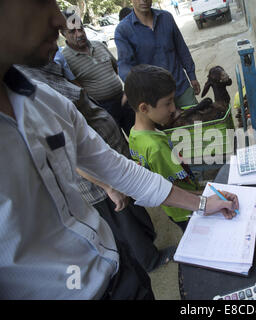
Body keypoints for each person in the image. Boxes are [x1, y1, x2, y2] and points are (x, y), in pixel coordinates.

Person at [0, 0, 239, 299]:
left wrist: (204, 203)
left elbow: (117, 168)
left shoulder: (46, 101)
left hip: (118, 271)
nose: (61, 20)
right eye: (40, 3)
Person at [15, 55, 176, 272]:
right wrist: (108, 186)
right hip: (98, 182)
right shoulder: (28, 86)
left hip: (111, 165)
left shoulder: (45, 68)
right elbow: (66, 153)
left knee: (133, 213)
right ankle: (149, 260)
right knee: (124, 223)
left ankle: (148, 242)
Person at [126, 65, 201, 232]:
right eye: (167, 103)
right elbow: (174, 188)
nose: (173, 108)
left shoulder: (134, 134)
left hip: (173, 209)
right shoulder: (156, 147)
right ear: (144, 108)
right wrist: (205, 197)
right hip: (186, 209)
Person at [115, 0, 201, 109]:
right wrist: (133, 86)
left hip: (181, 87)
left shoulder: (166, 18)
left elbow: (182, 49)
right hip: (155, 98)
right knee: (170, 126)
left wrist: (192, 75)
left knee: (198, 123)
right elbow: (125, 65)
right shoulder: (123, 30)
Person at [60, 12, 135, 136]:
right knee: (118, 145)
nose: (79, 34)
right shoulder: (65, 59)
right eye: (72, 32)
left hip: (123, 100)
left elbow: (118, 68)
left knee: (137, 137)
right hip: (102, 110)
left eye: (81, 29)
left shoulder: (99, 45)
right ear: (63, 34)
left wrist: (128, 90)